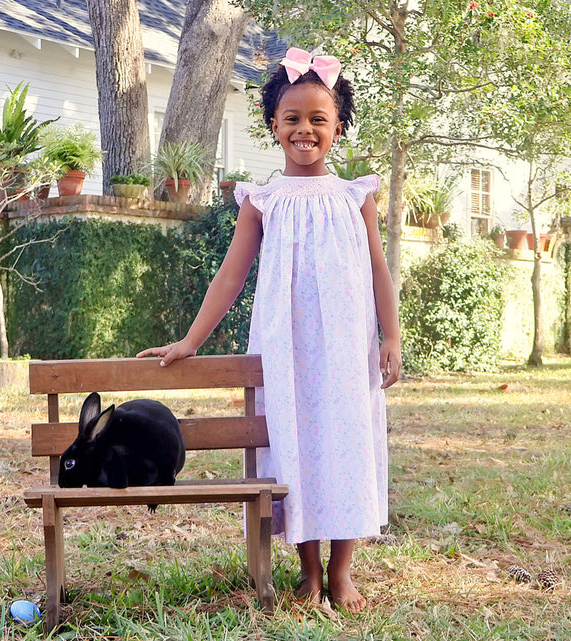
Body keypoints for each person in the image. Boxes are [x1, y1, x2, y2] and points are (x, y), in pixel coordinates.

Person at [137, 47, 401, 612]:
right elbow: (230, 276)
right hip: (285, 347)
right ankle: (308, 572)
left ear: (338, 127)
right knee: (294, 447)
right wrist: (190, 341)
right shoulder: (262, 200)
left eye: (318, 119)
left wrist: (392, 336)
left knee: (347, 446)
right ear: (274, 125)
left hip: (347, 347)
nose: (305, 129)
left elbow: (379, 269)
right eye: (292, 118)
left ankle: (341, 572)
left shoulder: (356, 196)